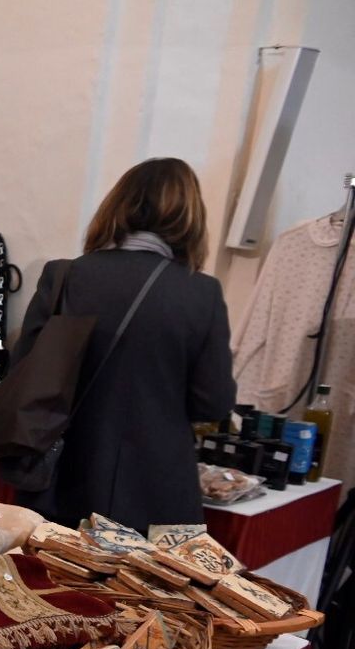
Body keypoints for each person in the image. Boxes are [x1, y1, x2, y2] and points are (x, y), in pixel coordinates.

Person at [12, 157, 234, 531]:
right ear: (190, 217)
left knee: (48, 587)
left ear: (118, 206)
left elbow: (22, 373)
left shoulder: (65, 276)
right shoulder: (201, 293)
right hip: (155, 492)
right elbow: (213, 402)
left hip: (63, 478)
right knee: (140, 591)